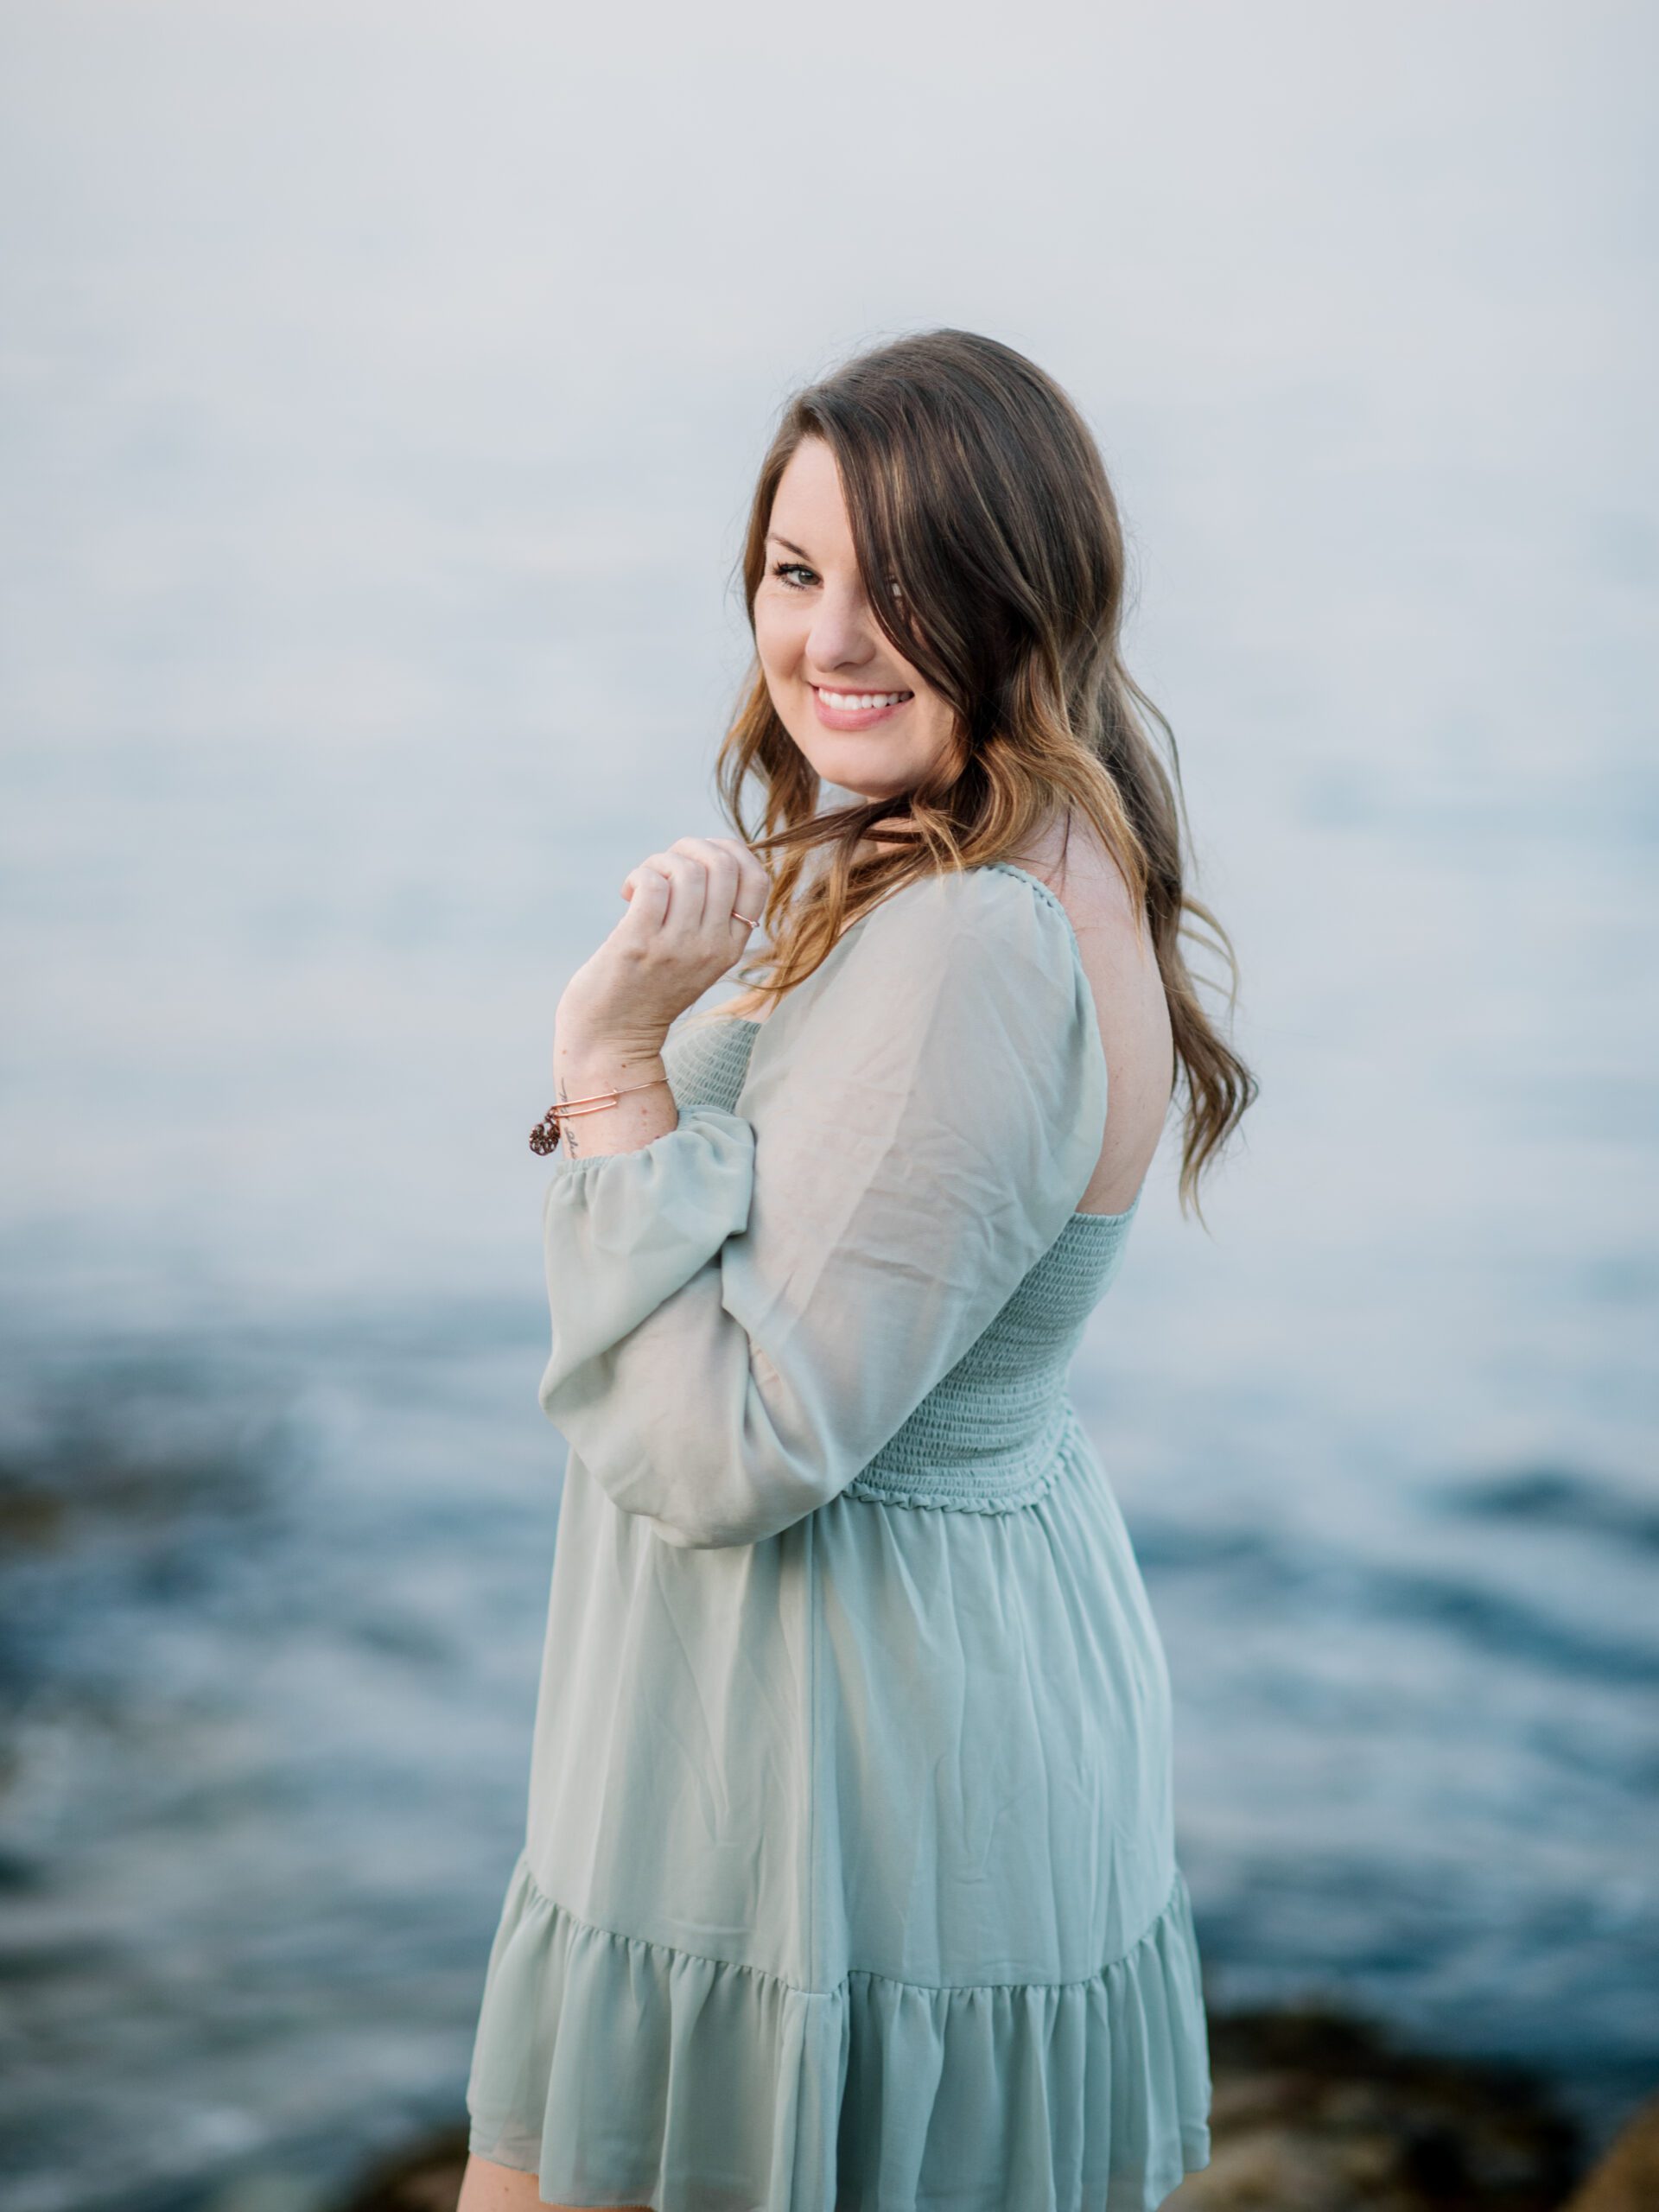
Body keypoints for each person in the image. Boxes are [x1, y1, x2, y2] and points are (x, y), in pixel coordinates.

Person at [458, 327, 1256, 2212]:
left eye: (900, 577)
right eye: (798, 568)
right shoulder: (1013, 851)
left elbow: (740, 1439)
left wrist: (613, 1067)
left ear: (1023, 588)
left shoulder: (978, 939)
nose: (829, 633)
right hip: (882, 1693)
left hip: (826, 1766)